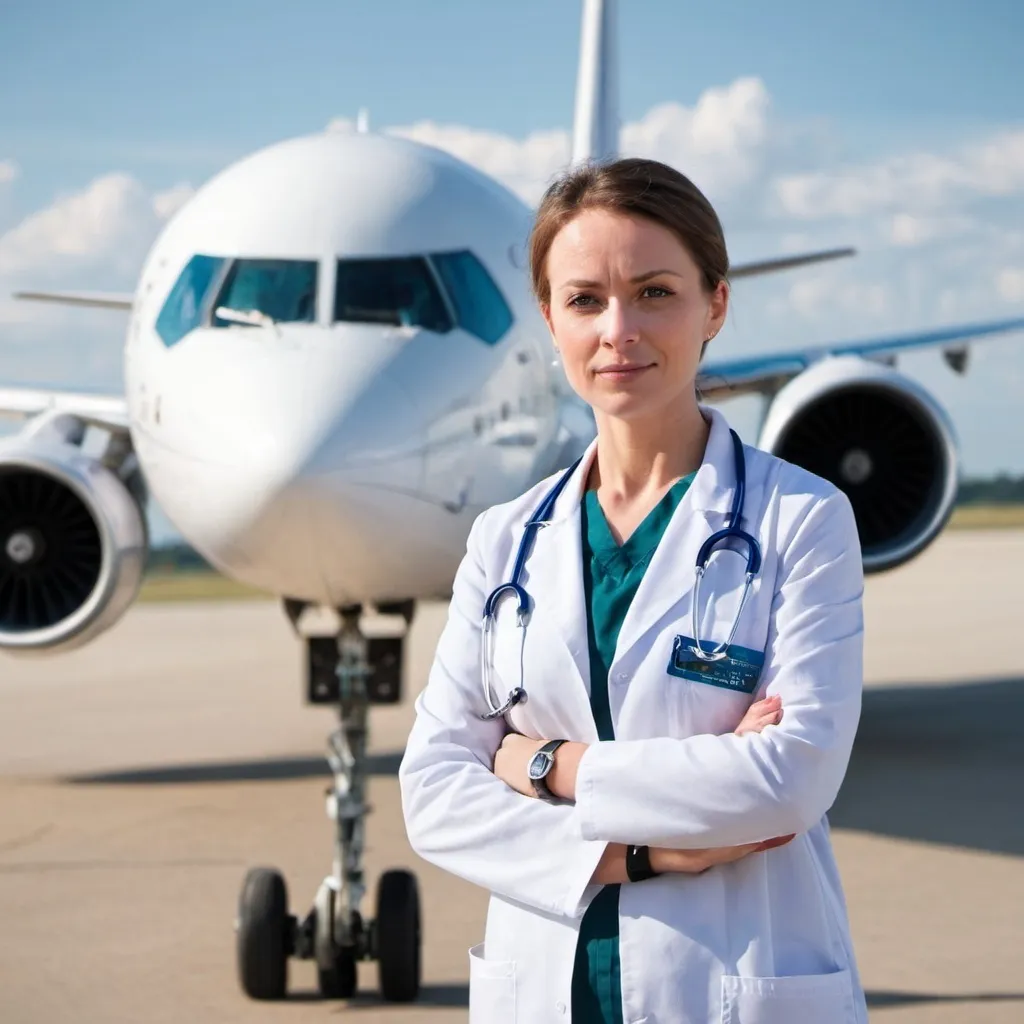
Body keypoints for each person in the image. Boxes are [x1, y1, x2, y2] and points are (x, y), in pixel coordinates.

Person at [399, 157, 867, 1024]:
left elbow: (791, 777)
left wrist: (546, 765)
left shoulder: (800, 520)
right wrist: (636, 855)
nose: (619, 330)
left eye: (654, 291)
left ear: (715, 304)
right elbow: (432, 793)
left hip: (736, 988)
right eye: (584, 300)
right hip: (546, 990)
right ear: (548, 318)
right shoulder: (504, 540)